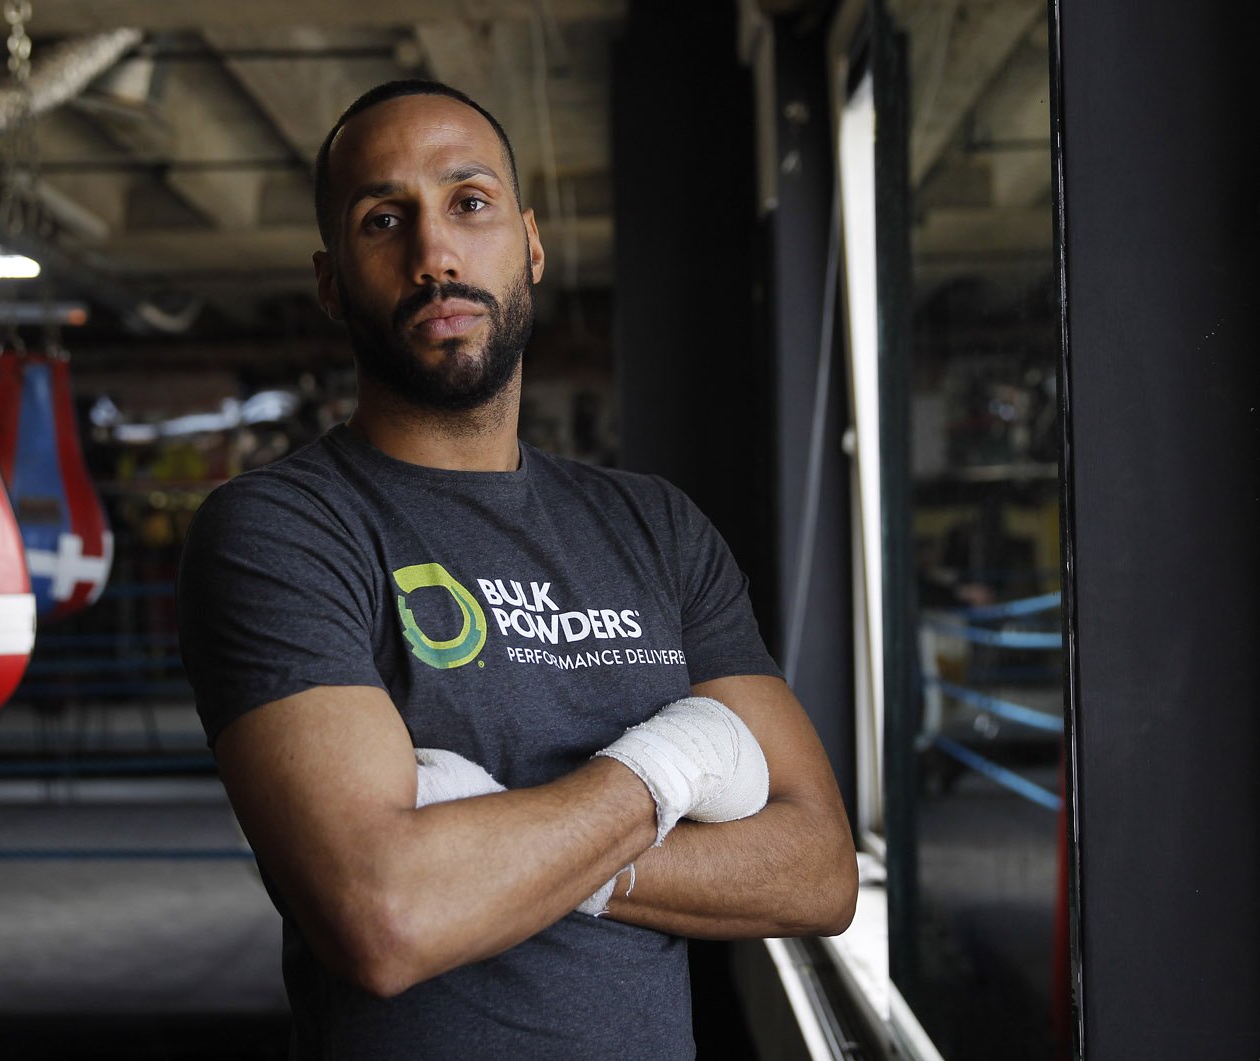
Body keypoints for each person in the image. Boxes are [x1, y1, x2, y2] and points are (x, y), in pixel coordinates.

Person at [176, 79, 857, 1060]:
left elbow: (816, 871)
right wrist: (676, 762)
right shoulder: (282, 530)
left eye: (469, 202)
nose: (433, 254)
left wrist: (490, 840)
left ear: (530, 245)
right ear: (331, 282)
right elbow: (387, 913)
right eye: (382, 219)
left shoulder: (655, 528)